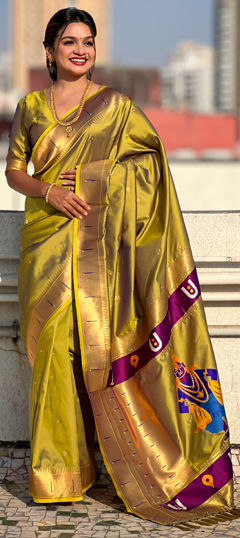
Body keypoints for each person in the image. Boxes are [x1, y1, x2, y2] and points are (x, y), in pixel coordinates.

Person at [5, 7, 236, 528]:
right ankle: (56, 473)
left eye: (87, 41)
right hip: (45, 243)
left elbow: (150, 161)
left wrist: (93, 182)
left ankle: (118, 463)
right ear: (50, 51)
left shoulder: (116, 107)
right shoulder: (30, 106)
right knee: (50, 355)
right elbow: (15, 172)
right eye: (69, 42)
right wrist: (48, 191)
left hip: (102, 253)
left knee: (98, 349)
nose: (80, 50)